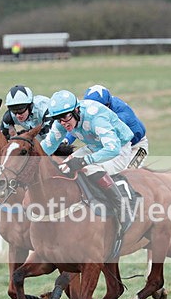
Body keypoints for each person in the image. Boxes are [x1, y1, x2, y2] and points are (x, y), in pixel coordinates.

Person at [41, 90, 135, 248]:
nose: (62, 122)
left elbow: (113, 148)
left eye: (65, 117)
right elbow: (46, 148)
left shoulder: (96, 118)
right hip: (94, 147)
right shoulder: (63, 121)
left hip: (120, 149)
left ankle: (122, 207)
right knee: (64, 166)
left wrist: (85, 161)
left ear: (76, 110)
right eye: (58, 119)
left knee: (89, 167)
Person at [82, 84, 148, 167]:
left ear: (108, 105)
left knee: (127, 173)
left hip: (135, 146)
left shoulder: (121, 112)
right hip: (114, 147)